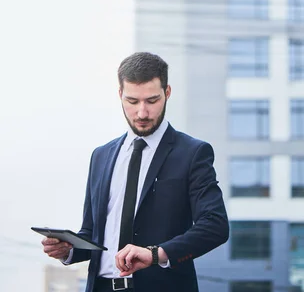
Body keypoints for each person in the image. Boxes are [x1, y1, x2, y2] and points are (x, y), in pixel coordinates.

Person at [41, 51, 229, 292]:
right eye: (132, 101)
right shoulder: (101, 156)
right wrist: (69, 250)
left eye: (152, 101)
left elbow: (215, 226)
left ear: (167, 93)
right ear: (120, 94)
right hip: (100, 287)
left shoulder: (193, 153)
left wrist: (156, 254)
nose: (142, 113)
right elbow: (93, 233)